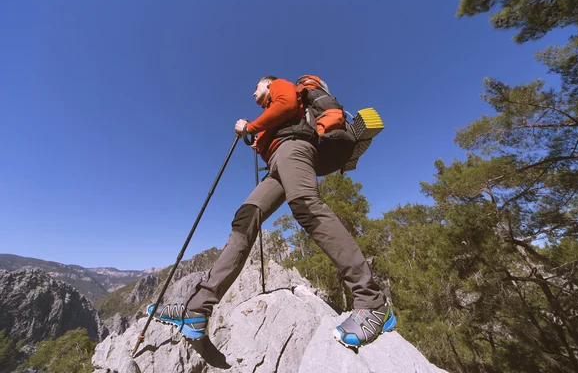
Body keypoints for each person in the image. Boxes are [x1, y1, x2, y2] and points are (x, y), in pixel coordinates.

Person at [147, 76, 396, 347]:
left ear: (267, 84)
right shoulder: (270, 113)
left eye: (256, 86)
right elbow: (278, 122)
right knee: (245, 217)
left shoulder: (280, 85)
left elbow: (287, 104)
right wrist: (258, 137)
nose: (253, 90)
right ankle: (196, 309)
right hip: (278, 163)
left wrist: (248, 126)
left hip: (294, 150)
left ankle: (372, 302)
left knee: (305, 205)